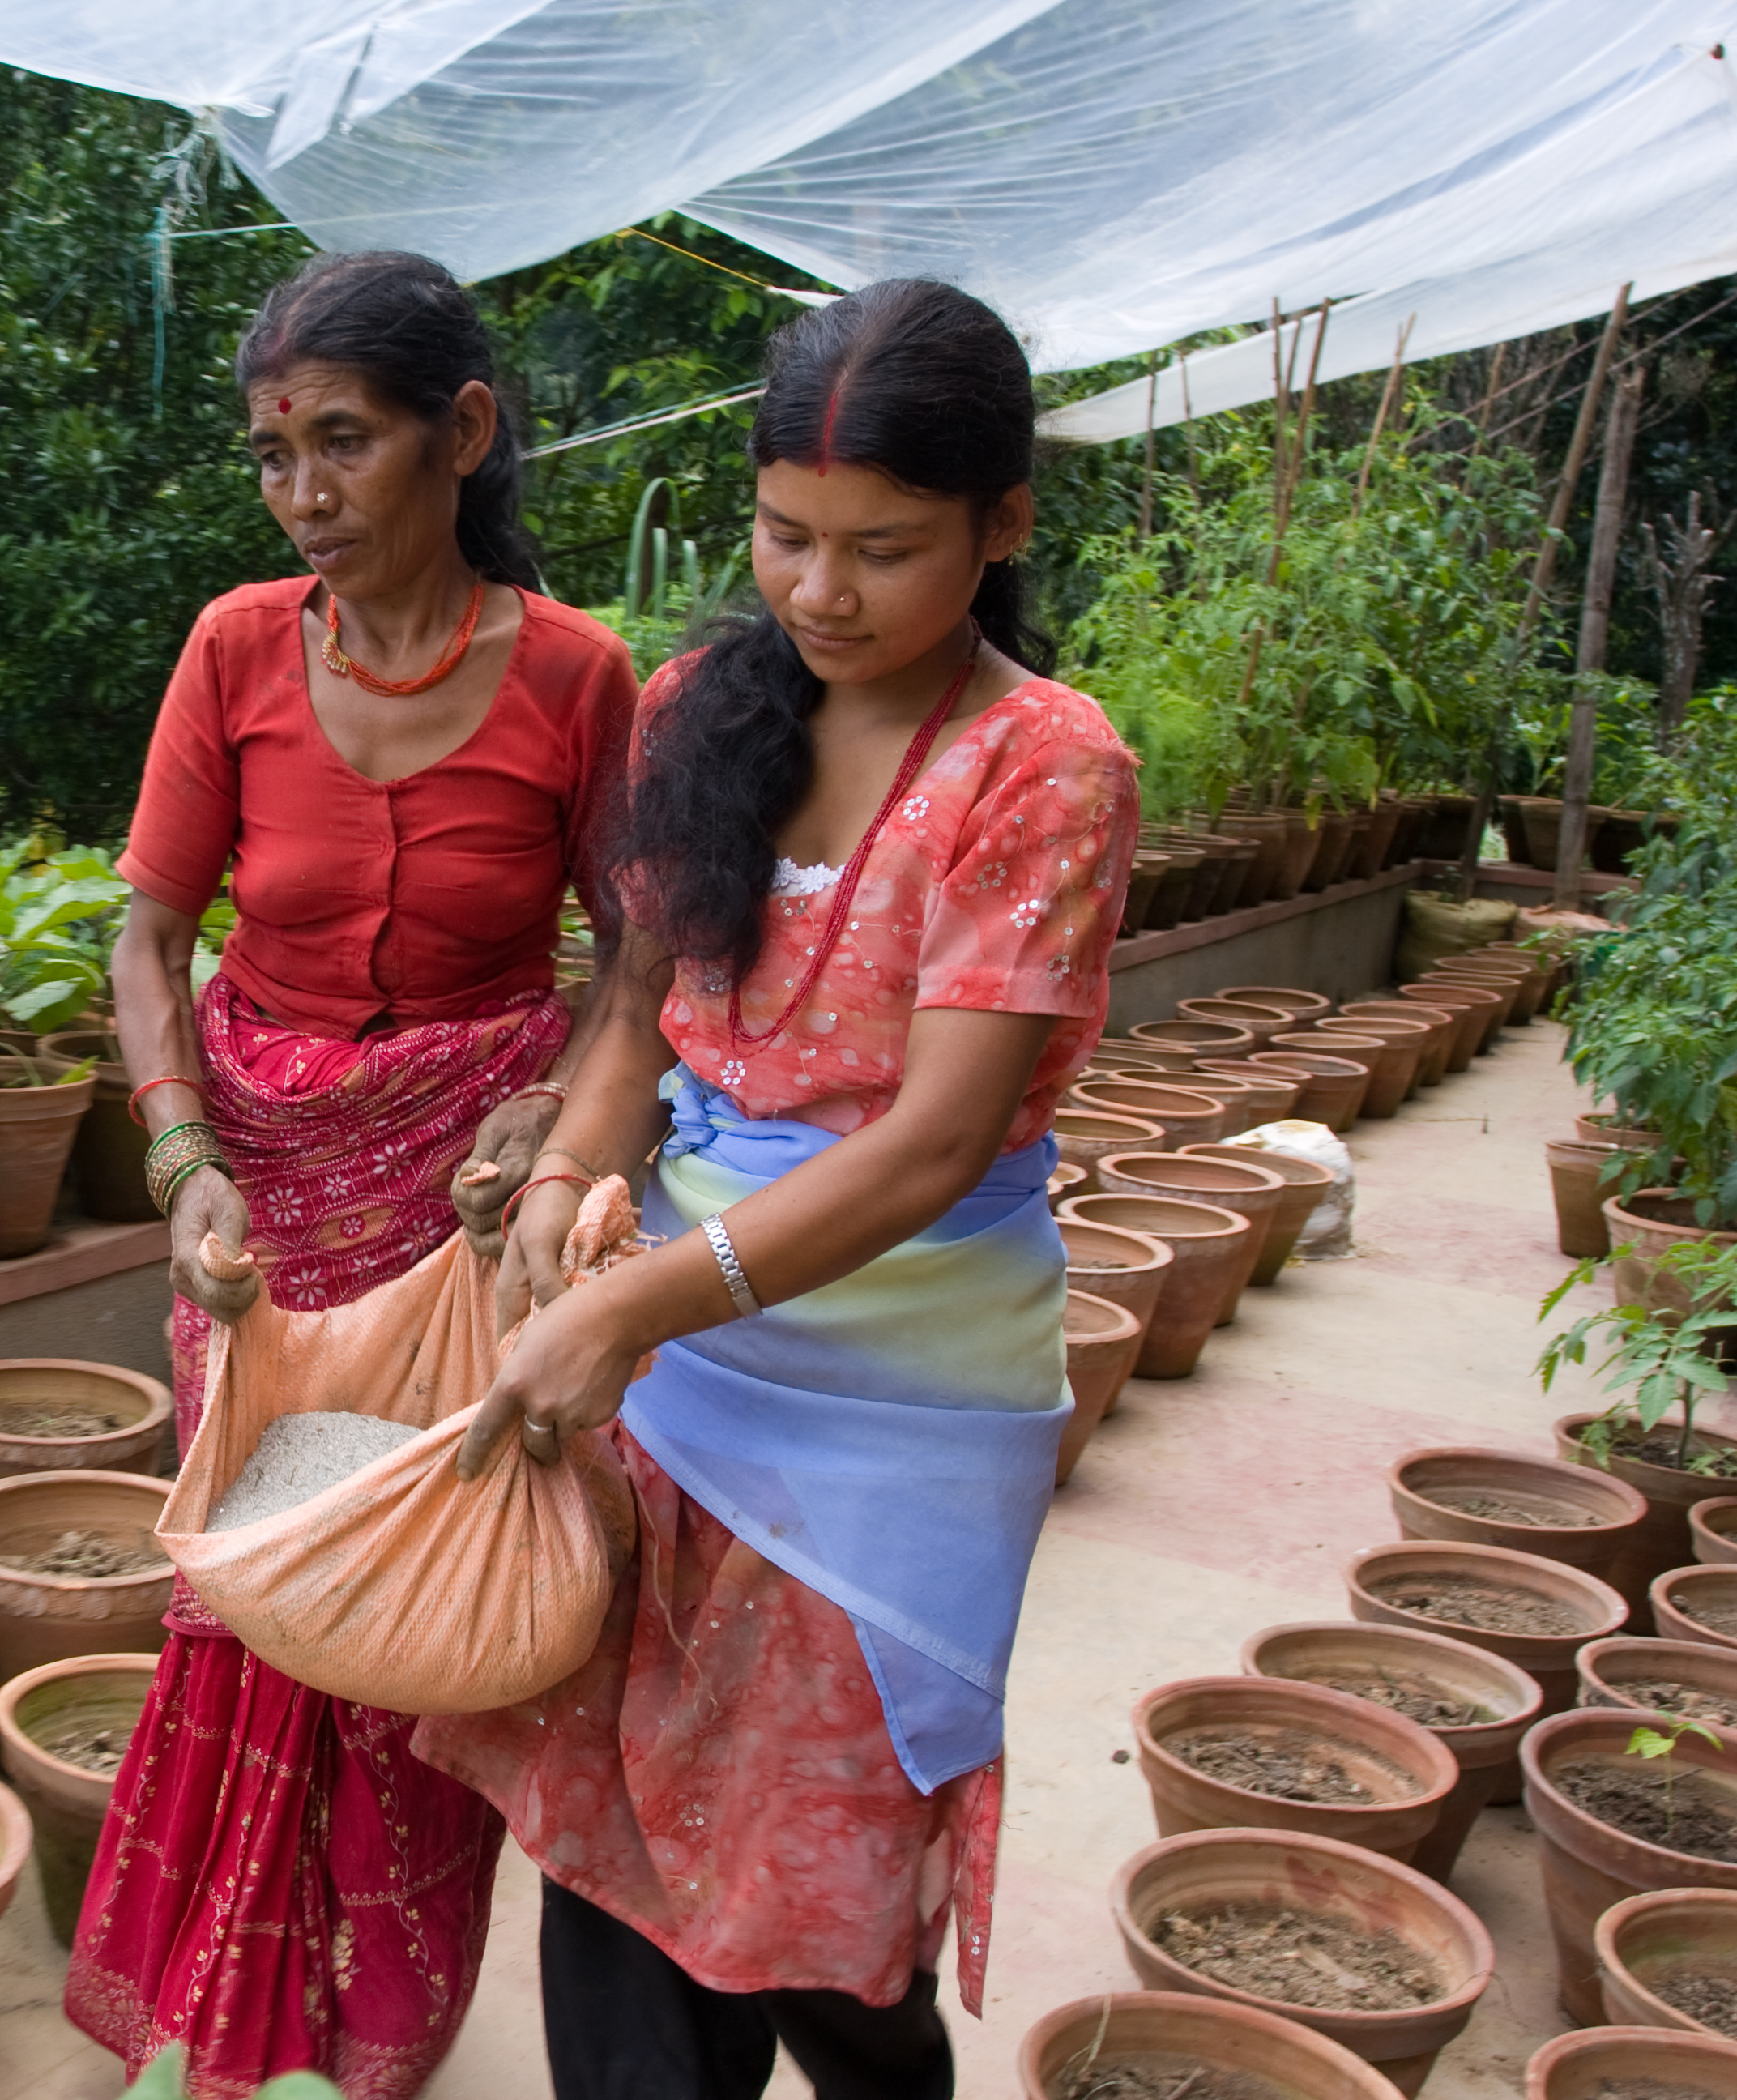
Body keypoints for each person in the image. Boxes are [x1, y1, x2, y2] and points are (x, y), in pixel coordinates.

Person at [412, 277, 1139, 2099]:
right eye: (787, 536)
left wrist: (640, 1295)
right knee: (630, 1821)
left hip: (897, 1399)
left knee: (809, 1865)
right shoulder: (698, 711)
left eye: (886, 550)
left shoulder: (1044, 768)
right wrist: (578, 1172)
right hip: (677, 1358)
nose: (821, 593)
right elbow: (643, 1013)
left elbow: (935, 1141)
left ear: (1005, 524)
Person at [70, 249, 641, 2100]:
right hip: (255, 1219)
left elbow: (635, 966)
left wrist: (544, 1120)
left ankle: (373, 2040)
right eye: (272, 454)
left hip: (458, 1234)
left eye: (345, 443)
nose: (305, 494)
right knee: (255, 1589)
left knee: (418, 1614)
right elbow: (149, 938)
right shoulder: (236, 648)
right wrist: (180, 1163)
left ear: (460, 434)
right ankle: (226, 2028)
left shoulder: (576, 678)